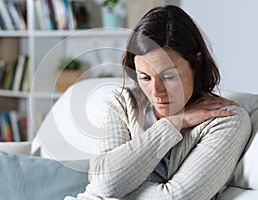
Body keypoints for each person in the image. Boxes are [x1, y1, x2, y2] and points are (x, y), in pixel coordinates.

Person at [65, 5, 251, 200]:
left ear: (197, 64)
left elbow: (176, 198)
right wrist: (174, 122)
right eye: (145, 78)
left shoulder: (226, 119)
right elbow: (107, 183)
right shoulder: (120, 103)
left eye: (169, 77)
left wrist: (107, 185)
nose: (156, 93)